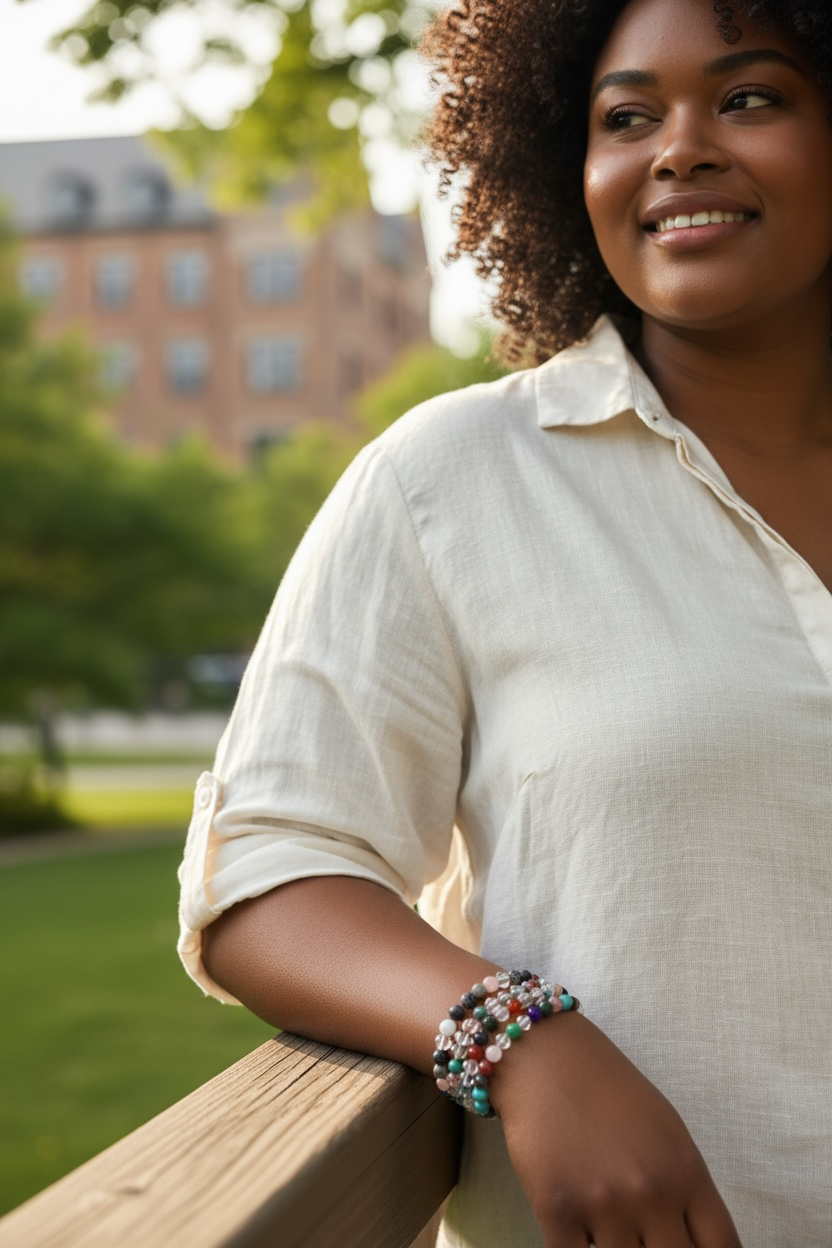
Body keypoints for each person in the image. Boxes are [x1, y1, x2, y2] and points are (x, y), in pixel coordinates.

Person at [177, 0, 832, 1243]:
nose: (677, 149)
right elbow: (270, 868)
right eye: (624, 118)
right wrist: (519, 1037)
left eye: (748, 97)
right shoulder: (451, 479)